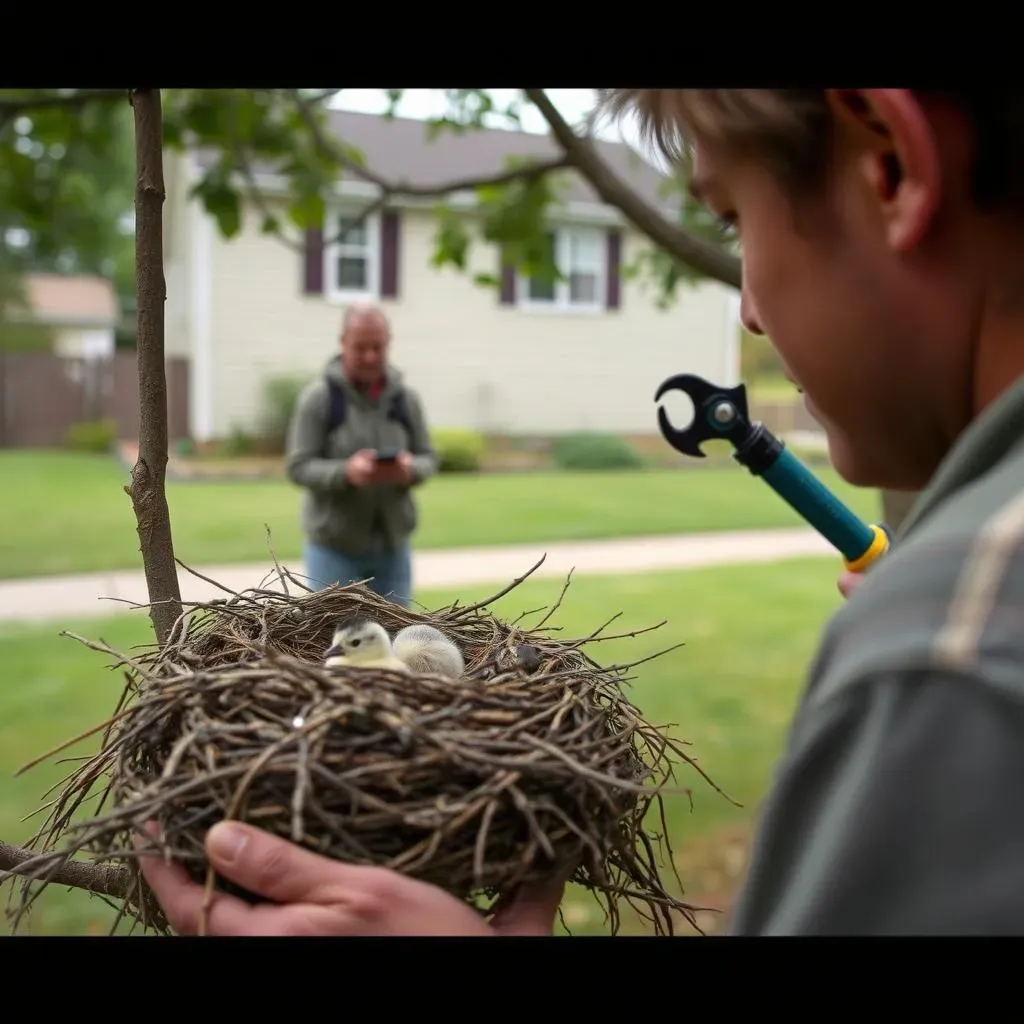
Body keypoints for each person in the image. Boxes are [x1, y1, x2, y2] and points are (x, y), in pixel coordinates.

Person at [140, 87, 1024, 935]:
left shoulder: (953, 656)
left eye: (731, 218)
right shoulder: (960, 633)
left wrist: (931, 651)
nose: (747, 312)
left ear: (893, 168)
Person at [284, 303, 437, 607]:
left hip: (393, 549)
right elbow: (298, 466)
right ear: (343, 343)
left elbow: (428, 457)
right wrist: (346, 473)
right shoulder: (319, 400)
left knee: (396, 646)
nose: (370, 356)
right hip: (333, 551)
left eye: (377, 347)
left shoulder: (405, 400)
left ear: (388, 343)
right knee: (331, 647)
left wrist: (409, 470)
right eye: (361, 347)